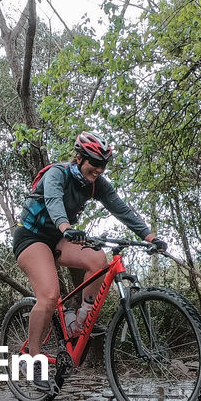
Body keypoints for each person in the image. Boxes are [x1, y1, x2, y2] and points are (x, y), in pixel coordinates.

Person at [13, 131, 166, 384]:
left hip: (61, 237)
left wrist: (149, 236)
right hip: (31, 236)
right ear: (80, 157)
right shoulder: (57, 173)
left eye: (102, 166)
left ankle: (80, 321)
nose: (98, 170)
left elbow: (122, 209)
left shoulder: (96, 184)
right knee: (49, 296)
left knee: (98, 259)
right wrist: (65, 227)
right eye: (94, 164)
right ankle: (33, 356)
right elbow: (52, 201)